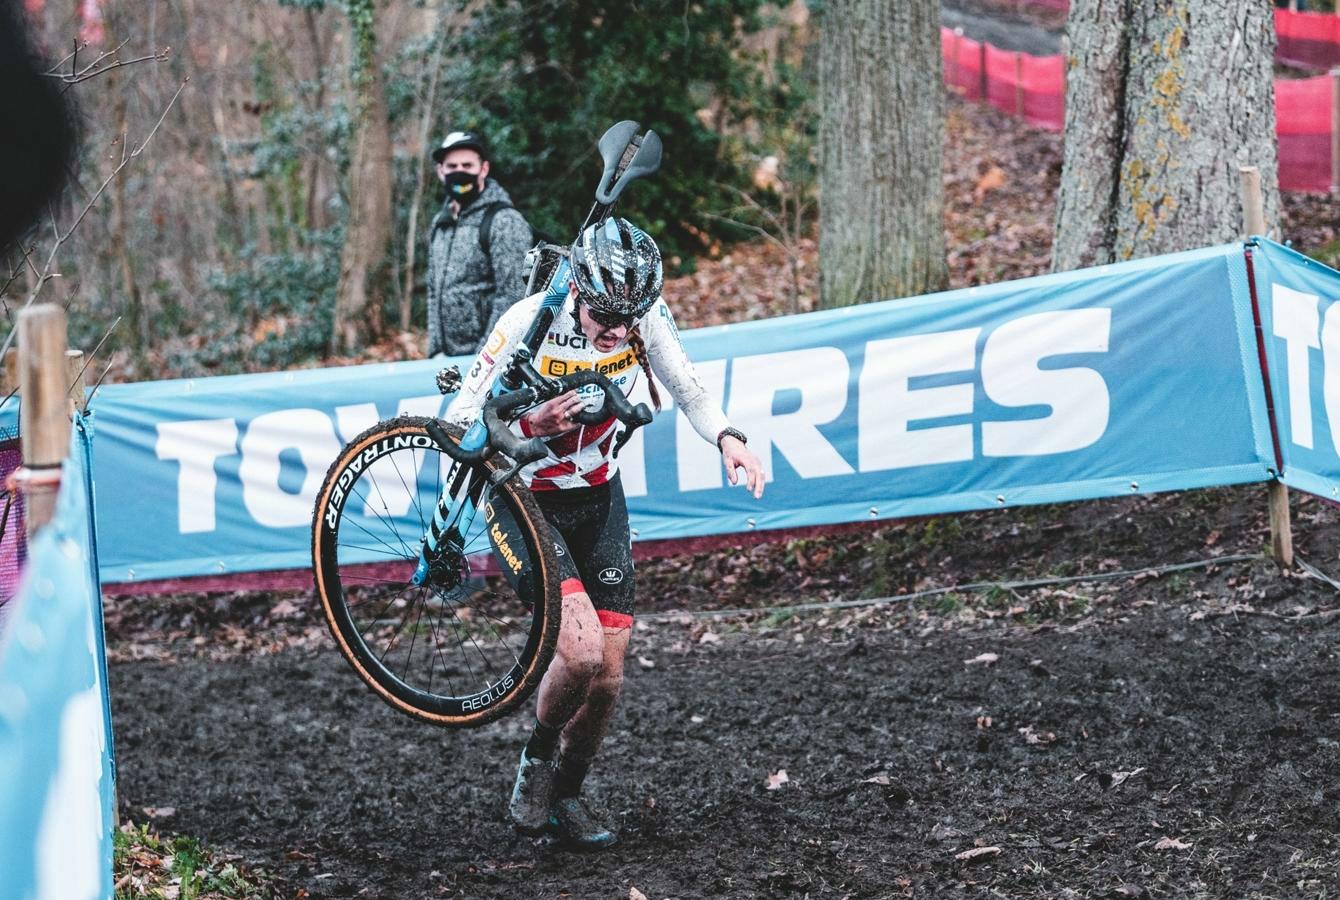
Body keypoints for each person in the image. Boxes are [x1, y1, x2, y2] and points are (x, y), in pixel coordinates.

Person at [446, 217, 765, 850]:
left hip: (598, 499)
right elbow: (458, 420)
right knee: (582, 652)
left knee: (608, 677)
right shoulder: (530, 319)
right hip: (523, 498)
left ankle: (566, 795)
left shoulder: (640, 316)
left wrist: (730, 437)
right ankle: (535, 766)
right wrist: (530, 421)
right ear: (578, 292)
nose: (616, 329)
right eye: (603, 316)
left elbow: (690, 389)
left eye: (629, 317)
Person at [426, 130, 533, 357]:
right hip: (445, 362)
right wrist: (434, 350)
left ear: (483, 169)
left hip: (485, 363)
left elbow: (513, 295)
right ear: (440, 171)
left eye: (467, 166)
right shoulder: (441, 222)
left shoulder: (505, 221)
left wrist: (484, 358)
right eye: (452, 167)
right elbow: (433, 291)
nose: (459, 172)